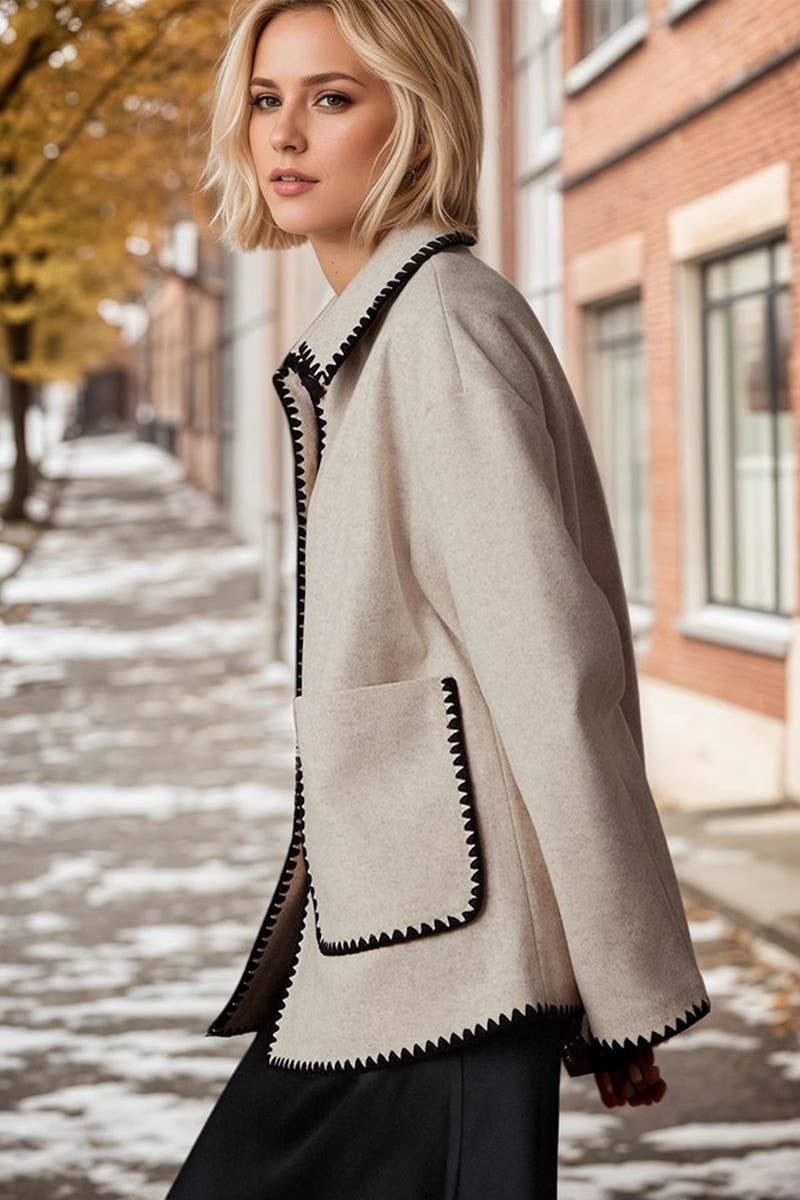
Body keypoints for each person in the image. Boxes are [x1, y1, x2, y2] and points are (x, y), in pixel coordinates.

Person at [165, 1, 712, 1196]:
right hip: (396, 935)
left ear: (412, 118)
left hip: (452, 959)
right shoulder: (382, 331)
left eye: (331, 98)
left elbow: (552, 670)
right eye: (265, 101)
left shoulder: (440, 328)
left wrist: (624, 986)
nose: (284, 135)